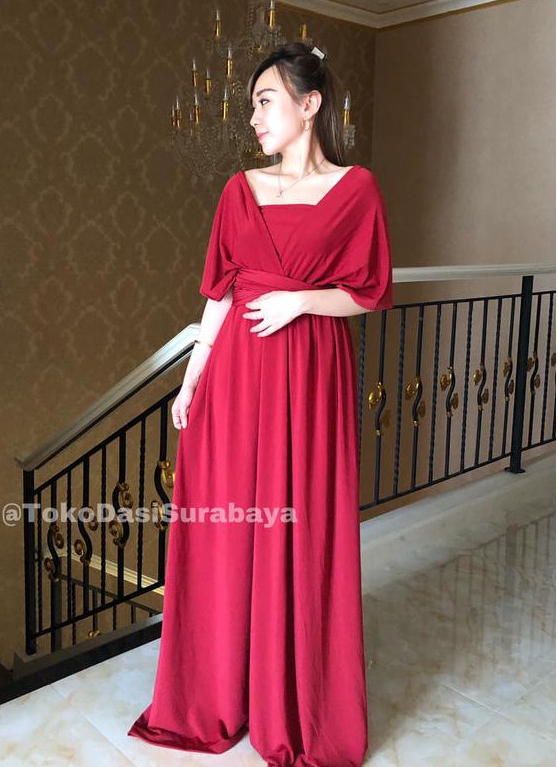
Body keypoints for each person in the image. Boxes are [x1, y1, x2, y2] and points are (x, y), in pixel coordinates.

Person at [128, 42, 394, 766]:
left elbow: (367, 292)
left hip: (309, 379)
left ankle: (291, 703)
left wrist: (302, 301)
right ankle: (217, 693)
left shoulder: (357, 190)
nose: (253, 118)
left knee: (298, 530)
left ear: (310, 104)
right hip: (236, 378)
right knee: (228, 532)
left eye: (265, 101)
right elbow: (218, 294)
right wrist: (192, 379)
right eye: (252, 104)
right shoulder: (238, 189)